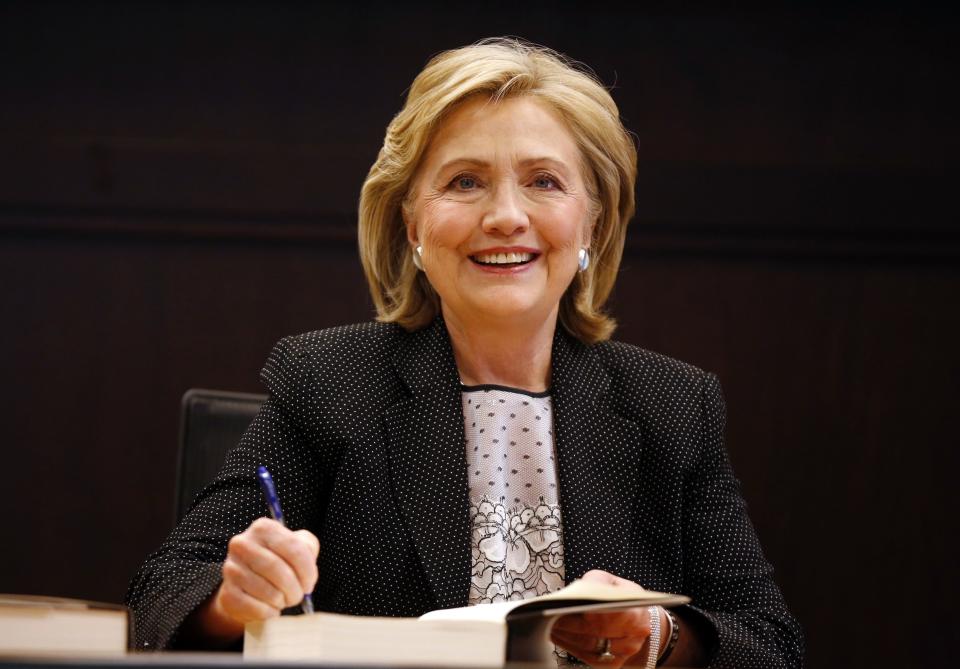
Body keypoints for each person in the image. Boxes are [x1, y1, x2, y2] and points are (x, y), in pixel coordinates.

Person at [126, 38, 803, 668]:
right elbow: (164, 591)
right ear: (412, 222)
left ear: (592, 220)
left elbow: (770, 643)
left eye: (544, 181)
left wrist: (659, 638)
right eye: (465, 182)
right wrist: (234, 596)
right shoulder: (328, 383)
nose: (506, 215)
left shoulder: (673, 406)